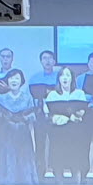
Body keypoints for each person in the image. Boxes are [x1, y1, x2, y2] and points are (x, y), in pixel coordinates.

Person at [0, 71, 39, 185]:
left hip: (23, 133)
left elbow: (33, 116)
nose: (14, 81)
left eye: (17, 78)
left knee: (25, 158)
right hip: (6, 133)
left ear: (21, 81)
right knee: (7, 157)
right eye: (11, 78)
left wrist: (24, 117)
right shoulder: (1, 98)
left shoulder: (27, 98)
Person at [43, 67, 91, 182]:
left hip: (75, 131)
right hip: (58, 131)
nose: (65, 78)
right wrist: (58, 118)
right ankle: (59, 183)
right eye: (62, 75)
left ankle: (77, 182)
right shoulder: (53, 94)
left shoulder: (79, 93)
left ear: (72, 79)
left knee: (76, 159)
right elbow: (47, 113)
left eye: (68, 75)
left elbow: (82, 112)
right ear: (59, 78)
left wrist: (71, 117)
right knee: (58, 159)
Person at [27, 50, 61, 178]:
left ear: (54, 61)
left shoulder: (59, 76)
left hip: (56, 114)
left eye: (50, 58)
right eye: (44, 58)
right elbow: (30, 98)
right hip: (39, 115)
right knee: (39, 144)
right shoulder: (34, 78)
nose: (47, 61)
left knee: (56, 143)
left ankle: (57, 172)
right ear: (41, 61)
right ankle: (39, 172)